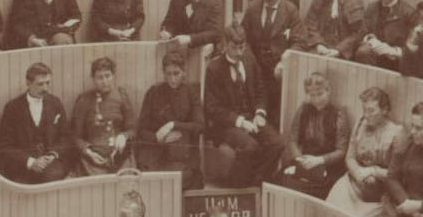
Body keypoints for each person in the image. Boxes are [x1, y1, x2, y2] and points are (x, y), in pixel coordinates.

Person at [203, 23, 285, 183]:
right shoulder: (214, 69)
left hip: (252, 117)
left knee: (278, 143)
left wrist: (260, 113)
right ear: (224, 45)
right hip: (227, 125)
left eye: (242, 47)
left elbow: (261, 90)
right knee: (251, 147)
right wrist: (240, 122)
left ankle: (258, 180)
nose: (239, 52)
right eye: (234, 47)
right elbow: (213, 108)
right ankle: (236, 185)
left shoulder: (249, 60)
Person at [326, 86, 403, 217]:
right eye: (364, 110)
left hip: (380, 194)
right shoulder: (361, 123)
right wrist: (357, 172)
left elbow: (396, 174)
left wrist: (373, 171)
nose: (366, 115)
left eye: (371, 111)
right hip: (353, 182)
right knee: (330, 213)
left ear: (384, 110)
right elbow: (349, 157)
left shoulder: (396, 132)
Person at [0, 62, 74, 183]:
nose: (45, 88)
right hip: (22, 167)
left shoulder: (55, 103)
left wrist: (52, 155)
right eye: (40, 84)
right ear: (28, 83)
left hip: (51, 165)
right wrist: (31, 162)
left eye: (47, 83)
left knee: (53, 177)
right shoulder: (12, 108)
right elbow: (5, 146)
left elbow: (66, 137)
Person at [276, 70, 350, 199]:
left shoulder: (339, 114)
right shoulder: (304, 109)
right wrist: (300, 160)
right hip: (305, 162)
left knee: (315, 189)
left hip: (328, 166)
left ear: (328, 91)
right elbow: (293, 139)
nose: (316, 99)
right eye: (312, 95)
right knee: (284, 180)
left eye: (320, 94)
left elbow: (341, 150)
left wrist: (319, 161)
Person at [135, 51, 204, 188]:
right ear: (164, 73)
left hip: (182, 152)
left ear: (184, 72)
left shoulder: (191, 93)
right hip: (157, 151)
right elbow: (141, 130)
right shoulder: (153, 93)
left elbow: (200, 126)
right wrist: (158, 137)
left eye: (176, 73)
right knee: (151, 180)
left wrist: (173, 125)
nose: (172, 79)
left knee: (181, 179)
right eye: (168, 74)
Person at [241, 0, 301, 124]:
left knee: (276, 109)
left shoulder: (291, 10)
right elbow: (242, 37)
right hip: (255, 64)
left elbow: (299, 41)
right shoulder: (253, 8)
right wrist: (249, 61)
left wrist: (284, 61)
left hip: (277, 68)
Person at [71, 56, 136, 176]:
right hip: (93, 158)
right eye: (100, 77)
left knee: (125, 182)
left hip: (119, 155)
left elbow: (132, 129)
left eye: (107, 76)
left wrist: (124, 136)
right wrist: (89, 152)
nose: (105, 81)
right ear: (93, 79)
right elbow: (75, 136)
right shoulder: (84, 100)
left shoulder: (121, 95)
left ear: (113, 76)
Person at [298, 0, 366, 60]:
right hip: (321, 48)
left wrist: (339, 50)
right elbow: (310, 24)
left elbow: (358, 33)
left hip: (345, 51)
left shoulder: (353, 0)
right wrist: (318, 43)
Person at [354, 0, 418, 70]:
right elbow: (361, 33)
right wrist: (371, 40)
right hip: (374, 55)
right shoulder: (372, 8)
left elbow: (414, 46)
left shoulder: (409, 13)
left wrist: (394, 51)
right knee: (363, 52)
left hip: (396, 59)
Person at [158, 0, 223, 53]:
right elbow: (169, 21)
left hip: (204, 51)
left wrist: (190, 39)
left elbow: (215, 33)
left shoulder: (213, 3)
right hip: (179, 51)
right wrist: (167, 32)